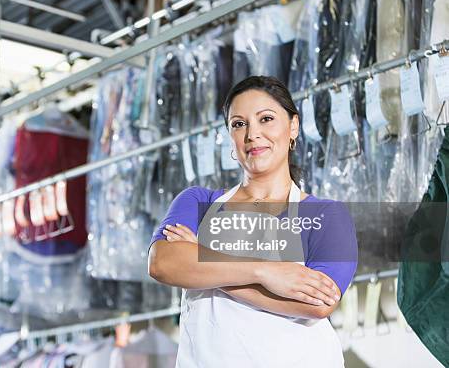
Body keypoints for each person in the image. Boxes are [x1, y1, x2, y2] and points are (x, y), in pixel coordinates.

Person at [148, 76, 358, 367]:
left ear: (293, 126)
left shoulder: (327, 215)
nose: (252, 134)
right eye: (239, 124)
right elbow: (163, 263)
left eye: (266, 119)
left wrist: (203, 269)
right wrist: (264, 271)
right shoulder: (198, 201)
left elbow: (318, 303)